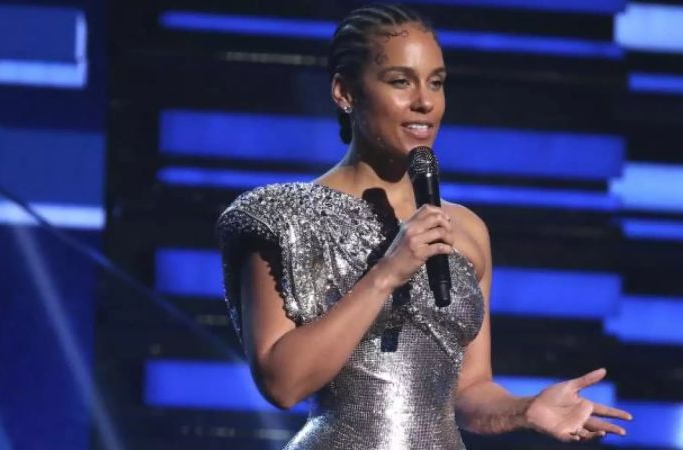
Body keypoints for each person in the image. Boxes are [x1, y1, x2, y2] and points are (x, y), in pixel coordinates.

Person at [216, 4, 632, 449]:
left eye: (436, 82)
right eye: (400, 81)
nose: (425, 101)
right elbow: (283, 383)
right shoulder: (281, 218)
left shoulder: (466, 229)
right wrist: (388, 272)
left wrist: (525, 409)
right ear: (345, 92)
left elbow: (469, 392)